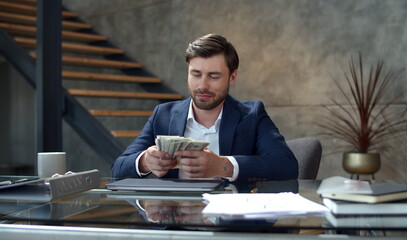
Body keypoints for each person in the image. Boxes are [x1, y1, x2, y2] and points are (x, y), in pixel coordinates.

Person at [112, 33, 298, 182]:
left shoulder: (252, 115)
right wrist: (145, 161)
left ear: (232, 77)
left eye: (214, 76)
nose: (203, 86)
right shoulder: (163, 114)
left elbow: (287, 166)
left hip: (229, 223)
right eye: (196, 74)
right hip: (175, 224)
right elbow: (118, 168)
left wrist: (222, 166)